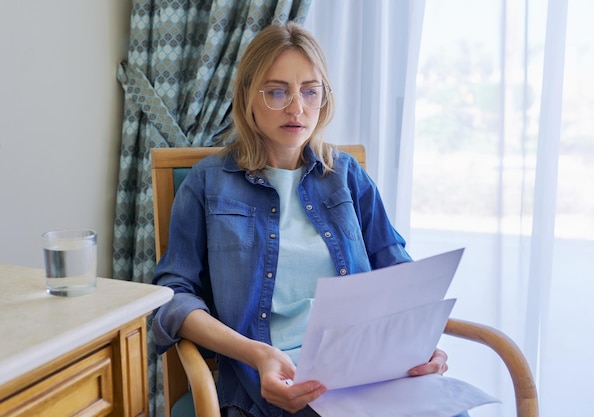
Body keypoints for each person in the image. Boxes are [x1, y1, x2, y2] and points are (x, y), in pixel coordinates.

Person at [152, 22, 463, 417]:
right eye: (277, 91)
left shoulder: (347, 176)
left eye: (310, 91)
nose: (297, 108)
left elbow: (398, 273)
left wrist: (419, 341)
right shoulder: (207, 184)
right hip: (270, 383)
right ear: (248, 95)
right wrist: (256, 354)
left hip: (369, 372)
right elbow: (173, 297)